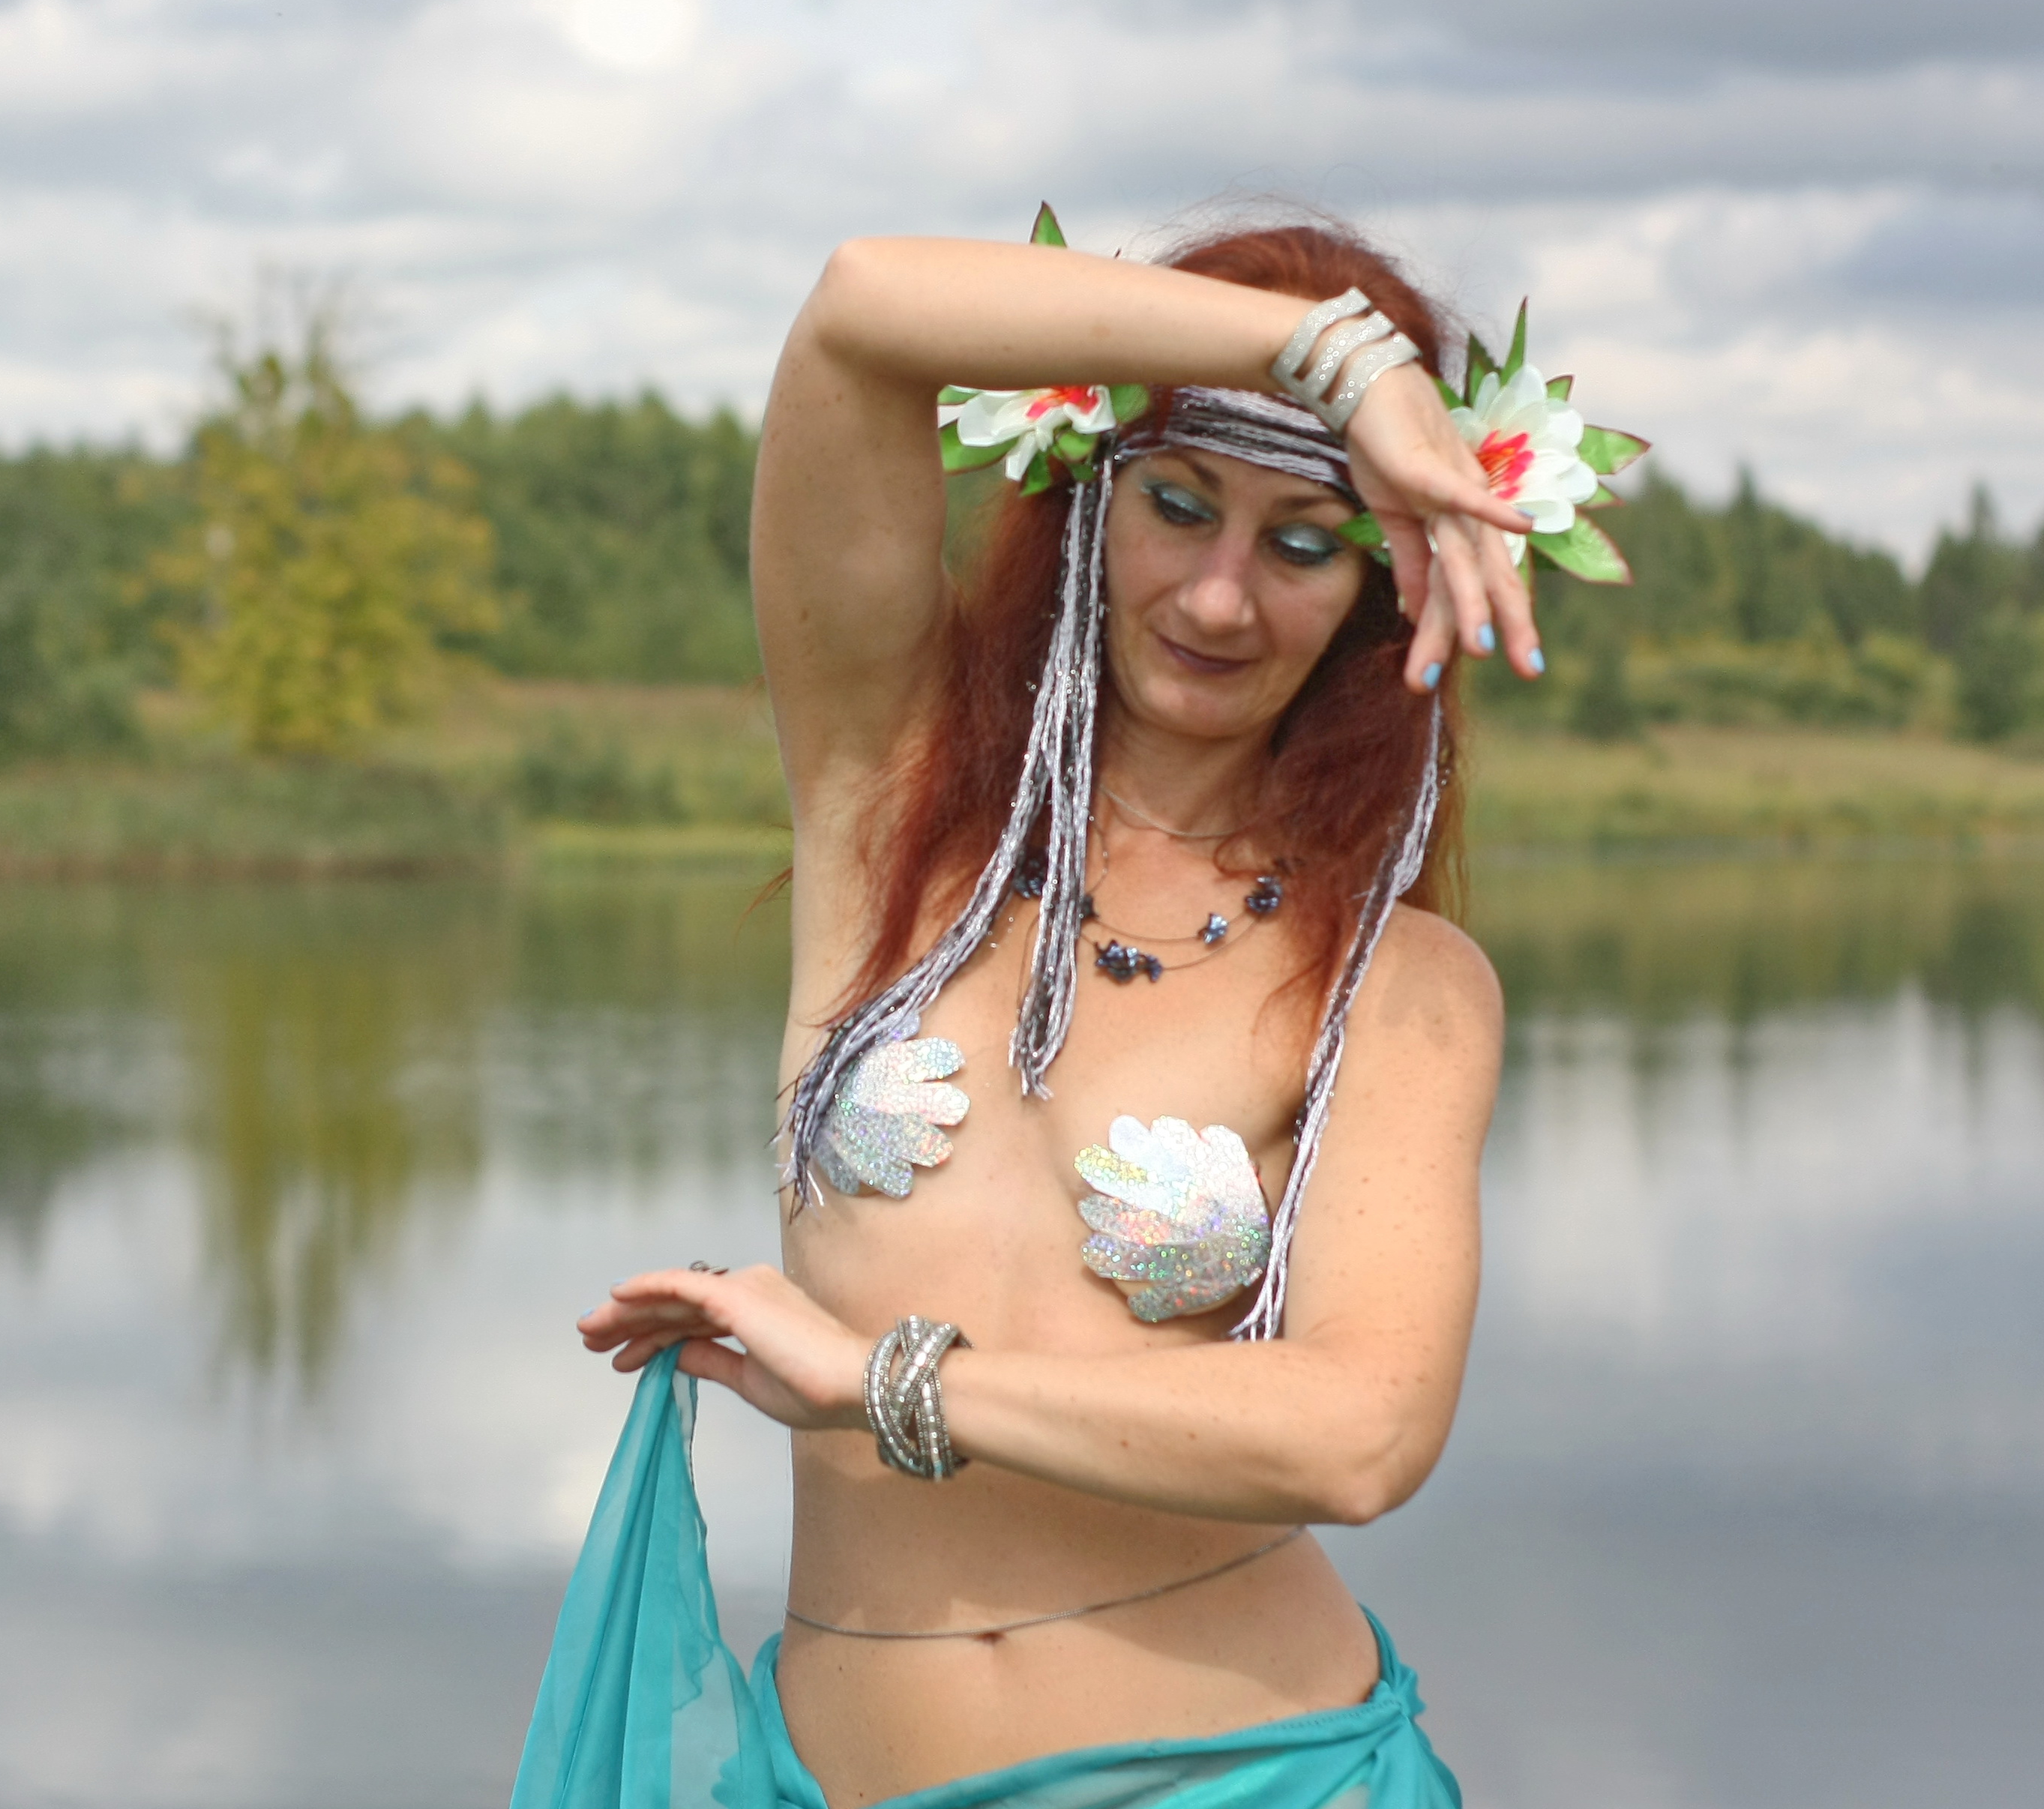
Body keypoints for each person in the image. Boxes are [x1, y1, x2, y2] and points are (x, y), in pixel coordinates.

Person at [527, 211, 1548, 1809]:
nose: (1218, 598)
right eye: (1177, 503)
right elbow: (863, 312)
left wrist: (882, 1383)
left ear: (1385, 582)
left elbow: (1361, 1433)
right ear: (1089, 488)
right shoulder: (890, 811)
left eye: (1303, 545)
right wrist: (1329, 363)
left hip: (1252, 1781)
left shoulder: (1390, 982)